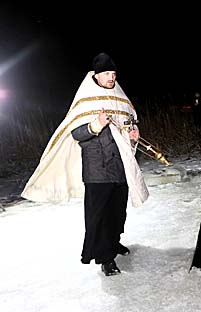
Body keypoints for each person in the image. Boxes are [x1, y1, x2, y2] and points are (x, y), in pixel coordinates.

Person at [21, 52, 149, 276]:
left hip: (120, 167)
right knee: (98, 215)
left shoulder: (120, 97)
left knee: (118, 212)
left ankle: (114, 242)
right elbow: (76, 133)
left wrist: (133, 135)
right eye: (107, 73)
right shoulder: (86, 98)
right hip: (97, 169)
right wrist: (96, 125)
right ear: (97, 75)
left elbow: (127, 126)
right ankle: (105, 258)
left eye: (114, 73)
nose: (111, 77)